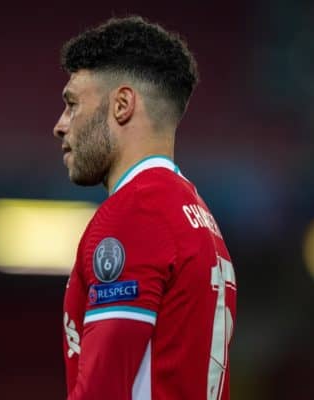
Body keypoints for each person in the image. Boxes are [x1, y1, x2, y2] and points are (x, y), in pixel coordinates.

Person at [53, 16, 236, 400]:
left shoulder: (135, 214)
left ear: (122, 105)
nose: (60, 124)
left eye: (72, 105)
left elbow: (102, 389)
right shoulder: (196, 214)